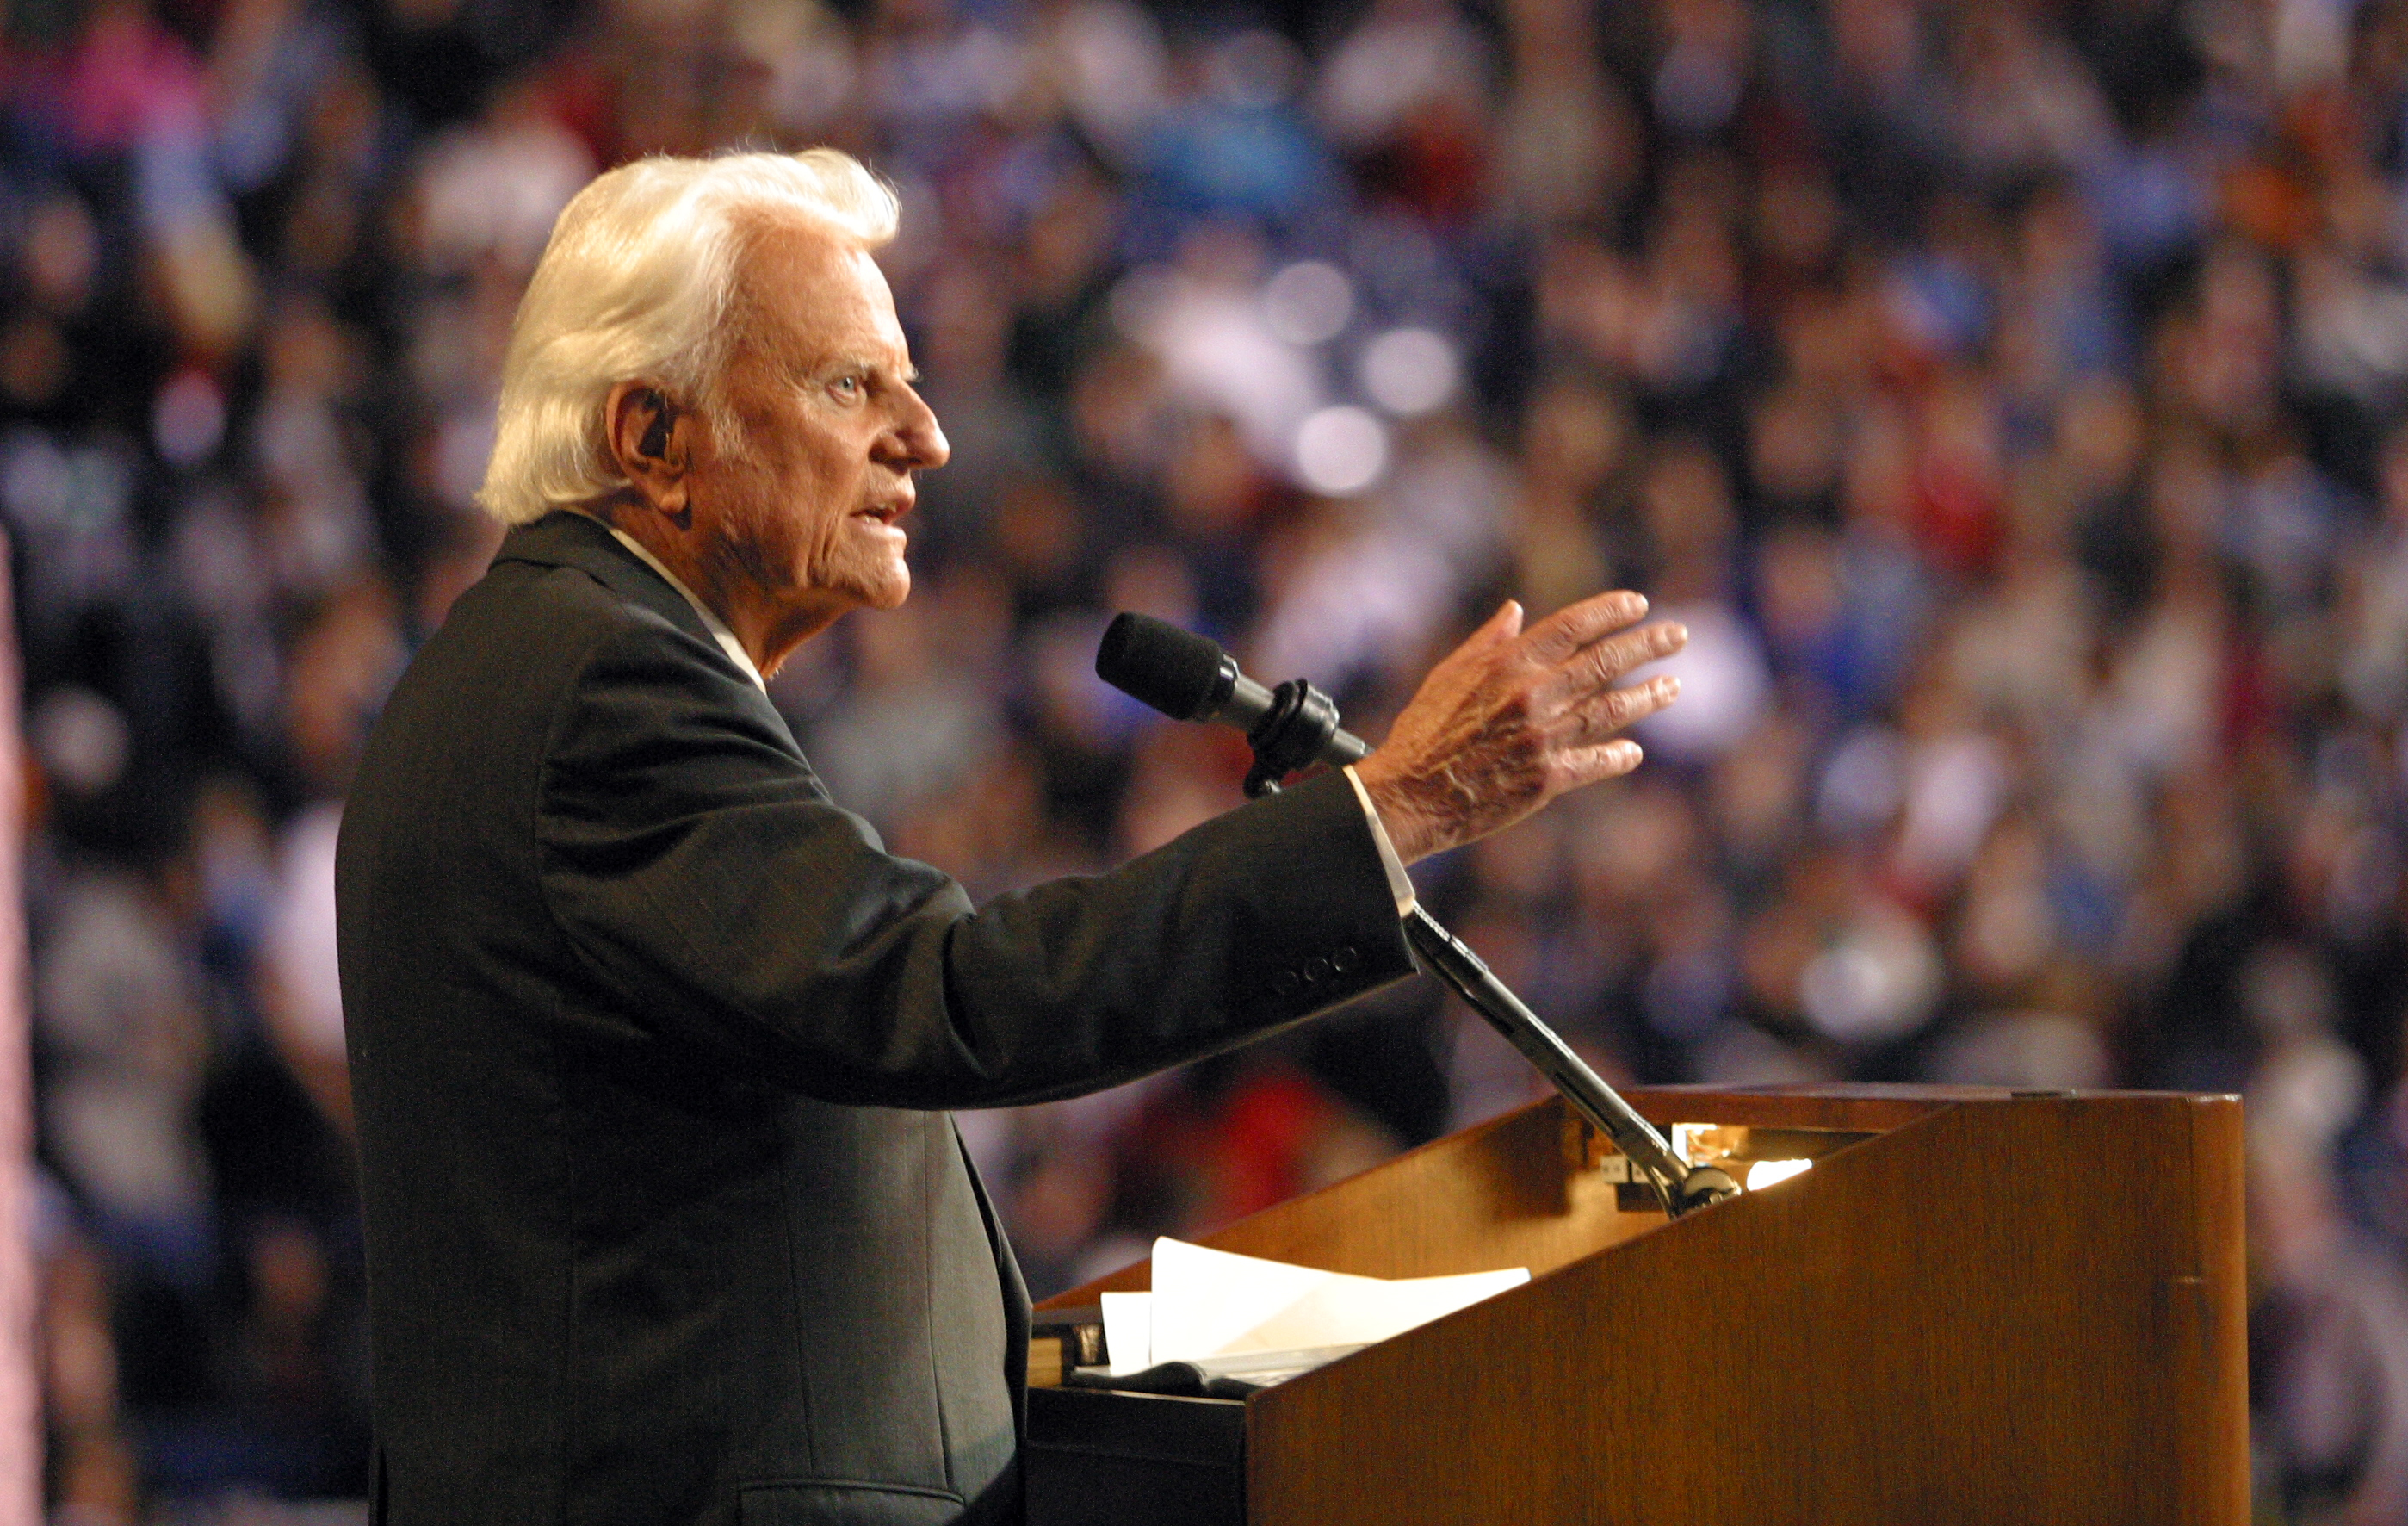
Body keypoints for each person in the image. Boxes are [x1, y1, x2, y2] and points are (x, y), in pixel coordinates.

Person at [334, 149, 1684, 1526]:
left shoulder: (550, 661)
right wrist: (1395, 809)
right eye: (851, 383)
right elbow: (952, 999)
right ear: (653, 440)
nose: (926, 435)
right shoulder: (600, 691)